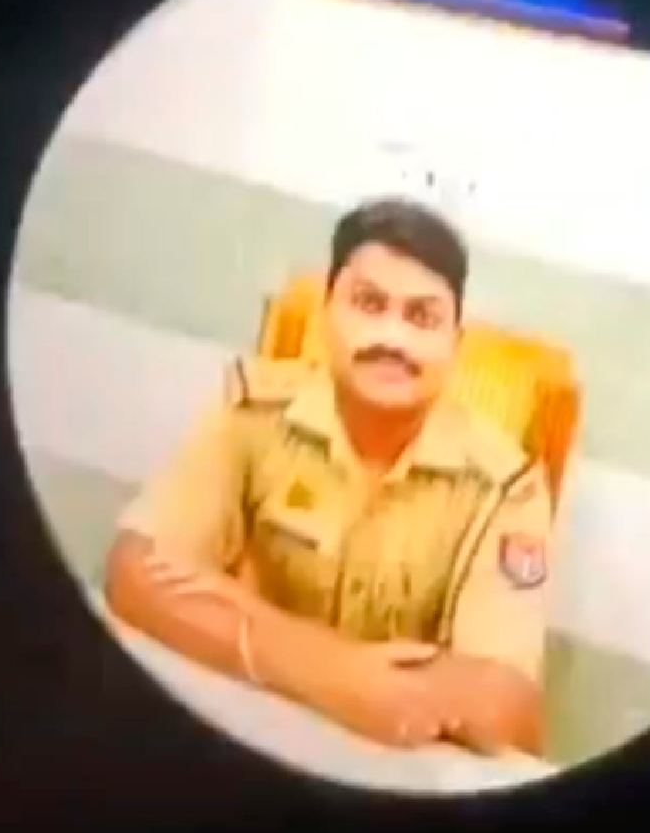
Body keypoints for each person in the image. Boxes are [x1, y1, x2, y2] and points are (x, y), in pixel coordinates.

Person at [105, 198, 554, 756]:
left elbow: (505, 706)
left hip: (396, 765)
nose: (391, 337)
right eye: (368, 303)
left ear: (455, 345)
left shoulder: (506, 487)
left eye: (421, 317)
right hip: (252, 729)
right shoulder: (254, 412)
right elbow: (134, 572)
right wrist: (327, 670)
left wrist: (242, 616)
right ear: (326, 314)